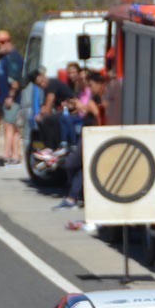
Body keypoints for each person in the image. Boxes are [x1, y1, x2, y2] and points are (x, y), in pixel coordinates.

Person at [55, 71, 107, 210]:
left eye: (91, 85)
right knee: (81, 168)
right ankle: (74, 197)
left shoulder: (96, 99)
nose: (90, 88)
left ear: (100, 84)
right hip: (87, 133)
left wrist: (99, 130)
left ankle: (74, 197)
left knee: (71, 164)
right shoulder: (95, 98)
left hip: (92, 136)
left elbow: (97, 115)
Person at [0, 30, 23, 165]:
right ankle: (15, 155)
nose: (0, 45)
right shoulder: (4, 58)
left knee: (9, 126)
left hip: (12, 99)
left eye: (2, 42)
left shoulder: (14, 58)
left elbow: (15, 81)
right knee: (12, 128)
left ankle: (6, 156)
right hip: (3, 97)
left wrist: (10, 96)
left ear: (8, 41)